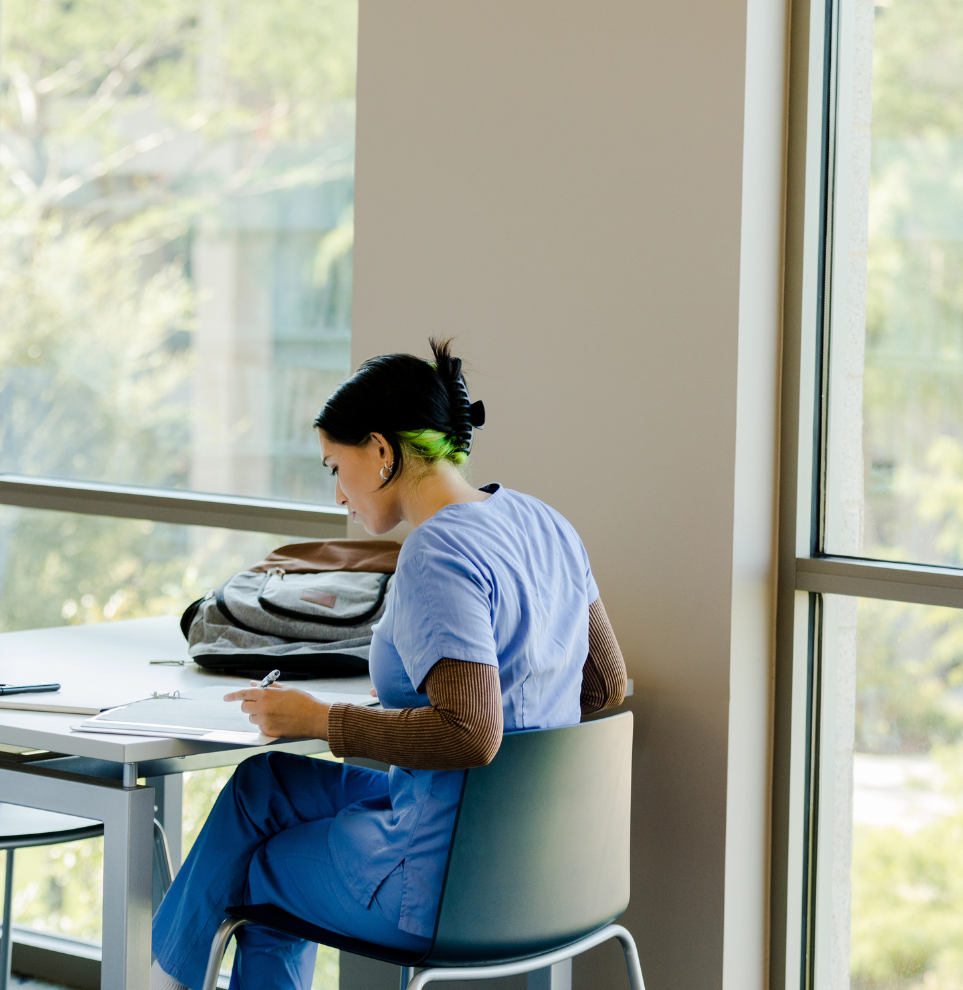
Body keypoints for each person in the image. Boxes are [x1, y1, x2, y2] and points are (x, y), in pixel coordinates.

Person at [149, 339, 627, 990]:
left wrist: (321, 722)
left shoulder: (436, 553)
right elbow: (606, 686)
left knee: (257, 867)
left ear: (380, 452)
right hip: (545, 867)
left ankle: (158, 980)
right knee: (261, 788)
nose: (339, 495)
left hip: (440, 880)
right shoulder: (547, 524)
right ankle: (157, 980)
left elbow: (468, 732)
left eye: (334, 467)